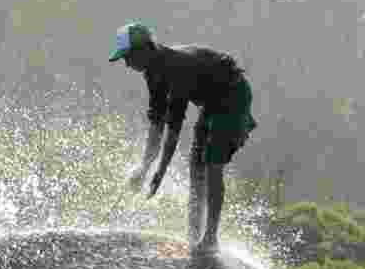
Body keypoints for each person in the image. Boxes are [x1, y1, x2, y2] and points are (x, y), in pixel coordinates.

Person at [109, 22, 256, 251]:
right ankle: (193, 236)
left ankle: (210, 239)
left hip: (234, 97)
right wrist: (144, 168)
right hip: (210, 104)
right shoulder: (152, 73)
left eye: (128, 57)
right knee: (196, 169)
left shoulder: (176, 66)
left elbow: (174, 128)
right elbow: (157, 123)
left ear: (144, 50)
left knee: (212, 162)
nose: (126, 64)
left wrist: (161, 171)